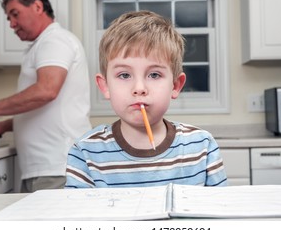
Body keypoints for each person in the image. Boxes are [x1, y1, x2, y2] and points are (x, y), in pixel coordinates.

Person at [0, 0, 92, 193]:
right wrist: (8, 124)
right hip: (45, 167)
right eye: (9, 18)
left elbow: (46, 90)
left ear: (37, 7)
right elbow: (49, 105)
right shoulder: (43, 44)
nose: (11, 23)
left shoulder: (55, 40)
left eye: (15, 14)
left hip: (56, 165)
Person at [65, 10, 227, 188]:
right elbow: (80, 215)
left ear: (175, 86)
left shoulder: (202, 146)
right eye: (125, 75)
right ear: (105, 86)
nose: (139, 88)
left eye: (155, 75)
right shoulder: (85, 152)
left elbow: (220, 209)